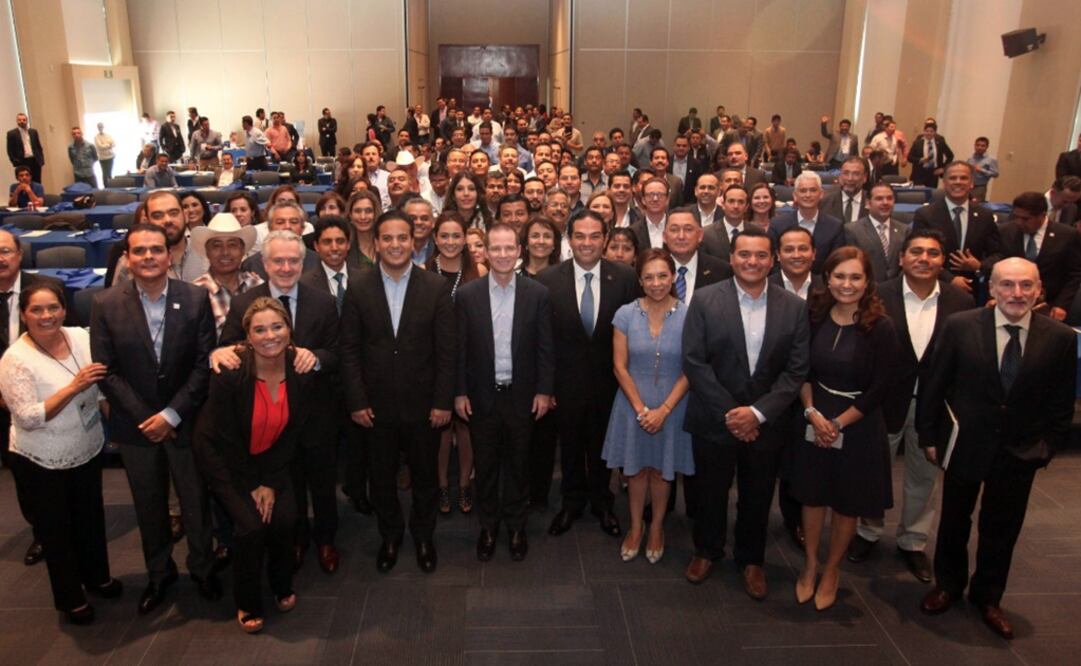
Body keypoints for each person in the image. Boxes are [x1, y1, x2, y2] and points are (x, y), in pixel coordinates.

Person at [917, 258, 1076, 640]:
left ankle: (988, 597)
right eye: (1007, 285)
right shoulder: (960, 327)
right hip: (964, 445)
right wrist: (929, 437)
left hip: (1020, 451)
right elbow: (935, 386)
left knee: (1001, 529)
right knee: (954, 521)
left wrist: (1047, 447)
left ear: (1039, 290)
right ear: (992, 289)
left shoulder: (1061, 337)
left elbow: (1061, 401)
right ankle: (948, 586)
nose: (1016, 294)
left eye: (1025, 286)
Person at [89, 222, 221, 615]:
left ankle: (202, 569)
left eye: (156, 250)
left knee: (196, 502)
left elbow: (203, 365)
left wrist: (171, 414)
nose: (149, 257)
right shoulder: (105, 304)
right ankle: (159, 573)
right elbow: (106, 370)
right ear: (127, 259)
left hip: (186, 420)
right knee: (149, 505)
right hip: (136, 427)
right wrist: (149, 417)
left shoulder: (196, 298)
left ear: (169, 255)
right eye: (140, 251)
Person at [682, 226, 810, 599]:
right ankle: (707, 550)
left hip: (767, 422)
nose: (751, 262)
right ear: (732, 258)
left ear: (772, 260)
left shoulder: (794, 306)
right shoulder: (705, 300)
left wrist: (757, 413)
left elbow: (795, 371)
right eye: (744, 255)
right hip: (714, 417)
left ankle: (751, 559)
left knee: (757, 494)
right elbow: (694, 362)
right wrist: (733, 413)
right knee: (710, 491)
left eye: (760, 256)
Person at [845, 229, 973, 581]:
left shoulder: (959, 301)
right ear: (901, 257)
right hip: (882, 402)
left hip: (934, 405)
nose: (924, 258)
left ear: (942, 261)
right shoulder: (877, 296)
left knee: (924, 476)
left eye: (932, 253)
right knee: (871, 472)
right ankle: (867, 531)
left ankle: (913, 541)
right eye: (916, 251)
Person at [215, 229, 341, 575]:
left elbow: (338, 354)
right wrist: (223, 351)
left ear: (304, 262)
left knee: (322, 483)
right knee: (288, 485)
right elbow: (226, 347)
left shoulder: (324, 301)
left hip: (316, 414)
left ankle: (326, 539)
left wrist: (314, 357)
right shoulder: (243, 303)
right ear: (264, 264)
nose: (286, 267)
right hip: (270, 417)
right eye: (278, 261)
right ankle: (296, 540)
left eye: (293, 260)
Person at [340, 211, 456, 574]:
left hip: (424, 407)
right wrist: (357, 401)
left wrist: (442, 401)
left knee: (425, 478)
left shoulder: (434, 287)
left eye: (401, 238)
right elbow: (349, 350)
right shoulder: (358, 286)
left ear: (414, 242)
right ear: (376, 243)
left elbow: (446, 352)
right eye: (387, 238)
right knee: (382, 479)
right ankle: (390, 536)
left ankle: (423, 536)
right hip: (374, 409)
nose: (394, 245)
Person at [0, 281, 120, 625]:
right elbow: (28, 417)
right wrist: (74, 387)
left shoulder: (80, 337)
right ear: (23, 315)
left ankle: (98, 577)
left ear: (64, 309)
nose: (46, 315)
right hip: (41, 458)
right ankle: (70, 597)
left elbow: (99, 387)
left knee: (90, 519)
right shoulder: (16, 360)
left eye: (53, 307)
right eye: (36, 310)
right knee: (57, 530)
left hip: (86, 446)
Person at [194, 297, 313, 633]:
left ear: (289, 330)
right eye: (259, 330)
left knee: (285, 518)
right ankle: (247, 600)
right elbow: (227, 440)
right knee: (251, 525)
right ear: (246, 336)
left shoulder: (300, 371)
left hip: (272, 455)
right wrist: (253, 485)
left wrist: (271, 482)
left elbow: (292, 432)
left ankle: (281, 584)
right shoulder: (230, 372)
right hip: (225, 459)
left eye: (277, 327)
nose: (270, 335)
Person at [788, 246, 899, 610]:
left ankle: (832, 569)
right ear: (827, 278)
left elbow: (882, 387)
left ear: (868, 282)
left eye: (855, 277)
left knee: (847, 502)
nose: (846, 284)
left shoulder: (881, 326)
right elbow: (801, 370)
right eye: (839, 276)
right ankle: (810, 564)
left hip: (858, 423)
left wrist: (836, 423)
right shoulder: (814, 314)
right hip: (814, 414)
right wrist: (811, 414)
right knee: (813, 495)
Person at [455, 223, 554, 562]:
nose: (501, 254)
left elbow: (545, 347)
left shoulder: (537, 293)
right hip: (482, 397)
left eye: (508, 248)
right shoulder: (467, 295)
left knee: (518, 464)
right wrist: (459, 392)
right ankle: (488, 526)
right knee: (485, 466)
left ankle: (515, 526)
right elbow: (459, 349)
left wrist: (544, 390)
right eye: (494, 248)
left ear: (519, 251)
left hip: (521, 396)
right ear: (483, 251)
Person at [537, 211, 638, 538]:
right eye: (580, 236)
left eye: (595, 236)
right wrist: (546, 386)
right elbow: (543, 340)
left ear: (605, 239)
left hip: (610, 382)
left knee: (602, 446)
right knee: (568, 447)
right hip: (564, 384)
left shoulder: (624, 278)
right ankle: (571, 502)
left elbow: (633, 333)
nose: (587, 243)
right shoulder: (548, 280)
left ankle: (602, 502)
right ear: (569, 240)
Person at [602, 248, 692, 565]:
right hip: (632, 403)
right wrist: (641, 409)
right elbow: (619, 367)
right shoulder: (625, 314)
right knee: (636, 469)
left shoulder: (689, 314)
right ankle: (636, 527)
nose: (656, 283)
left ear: (673, 277)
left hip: (673, 403)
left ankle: (657, 528)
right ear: (640, 280)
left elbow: (691, 369)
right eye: (649, 277)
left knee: (662, 471)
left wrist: (663, 410)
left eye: (662, 276)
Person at [427, 212, 486, 514]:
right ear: (435, 238)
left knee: (465, 428)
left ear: (465, 239)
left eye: (456, 236)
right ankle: (441, 486)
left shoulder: (479, 272)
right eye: (444, 236)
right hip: (434, 364)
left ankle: (464, 485)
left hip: (470, 363)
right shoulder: (423, 272)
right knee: (440, 429)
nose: (450, 242)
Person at [911, 161, 1001, 296]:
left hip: (972, 290)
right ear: (944, 183)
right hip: (935, 287)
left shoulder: (985, 216)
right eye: (952, 178)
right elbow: (918, 253)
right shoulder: (925, 214)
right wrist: (950, 279)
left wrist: (979, 266)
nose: (958, 182)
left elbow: (997, 254)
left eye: (964, 178)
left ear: (972, 183)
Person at [997, 191, 1081, 320]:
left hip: (1049, 307)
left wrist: (1061, 305)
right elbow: (996, 269)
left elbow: (1074, 274)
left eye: (1025, 219)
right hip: (1009, 304)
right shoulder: (1005, 232)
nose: (1019, 222)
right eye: (1016, 217)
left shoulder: (1067, 236)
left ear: (1042, 215)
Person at [190, 213, 263, 339]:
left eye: (232, 245)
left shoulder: (257, 285)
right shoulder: (194, 293)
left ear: (242, 250)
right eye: (217, 246)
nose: (225, 252)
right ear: (207, 251)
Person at [769, 171, 845, 274]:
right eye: (803, 191)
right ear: (795, 195)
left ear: (821, 194)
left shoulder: (835, 227)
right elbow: (772, 262)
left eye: (813, 190)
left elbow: (836, 265)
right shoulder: (777, 225)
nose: (808, 195)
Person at [844, 182, 909, 283]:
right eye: (879, 199)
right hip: (868, 288)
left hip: (896, 289)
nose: (885, 202)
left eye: (889, 198)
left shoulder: (904, 230)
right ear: (868, 203)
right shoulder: (853, 230)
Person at [820, 157, 869, 225]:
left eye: (856, 174)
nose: (850, 178)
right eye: (846, 173)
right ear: (840, 176)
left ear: (864, 177)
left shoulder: (873, 202)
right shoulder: (824, 203)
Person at [908, 123, 953, 188]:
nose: (929, 133)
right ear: (924, 132)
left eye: (931, 131)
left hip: (933, 174)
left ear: (935, 132)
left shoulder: (940, 143)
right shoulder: (917, 143)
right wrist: (920, 160)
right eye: (927, 131)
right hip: (920, 173)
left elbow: (950, 156)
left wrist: (943, 168)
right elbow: (909, 157)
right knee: (919, 195)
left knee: (931, 194)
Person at [346, 189, 381, 269]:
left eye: (368, 211)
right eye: (357, 211)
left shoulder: (386, 243)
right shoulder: (344, 248)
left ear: (376, 213)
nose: (363, 217)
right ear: (350, 215)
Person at [7, 113, 45, 184]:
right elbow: (10, 150)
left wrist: (41, 159)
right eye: (19, 120)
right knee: (25, 182)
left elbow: (38, 147)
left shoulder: (33, 132)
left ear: (26, 121)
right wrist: (15, 161)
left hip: (35, 160)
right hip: (22, 161)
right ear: (17, 121)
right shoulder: (12, 134)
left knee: (37, 181)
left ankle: (37, 195)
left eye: (24, 120)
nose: (22, 121)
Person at [967, 136, 999, 202]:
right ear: (974, 145)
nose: (979, 147)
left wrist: (981, 170)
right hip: (968, 186)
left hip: (980, 187)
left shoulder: (991, 159)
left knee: (975, 206)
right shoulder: (971, 159)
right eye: (977, 145)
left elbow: (996, 174)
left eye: (982, 146)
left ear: (987, 147)